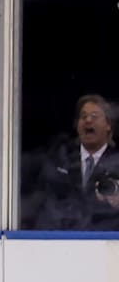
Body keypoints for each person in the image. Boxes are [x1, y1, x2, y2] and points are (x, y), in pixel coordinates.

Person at [32, 94, 119, 230]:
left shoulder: (116, 162)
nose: (88, 120)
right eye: (83, 116)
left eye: (95, 116)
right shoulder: (58, 159)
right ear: (77, 125)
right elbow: (42, 202)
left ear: (108, 125)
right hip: (60, 240)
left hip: (107, 243)